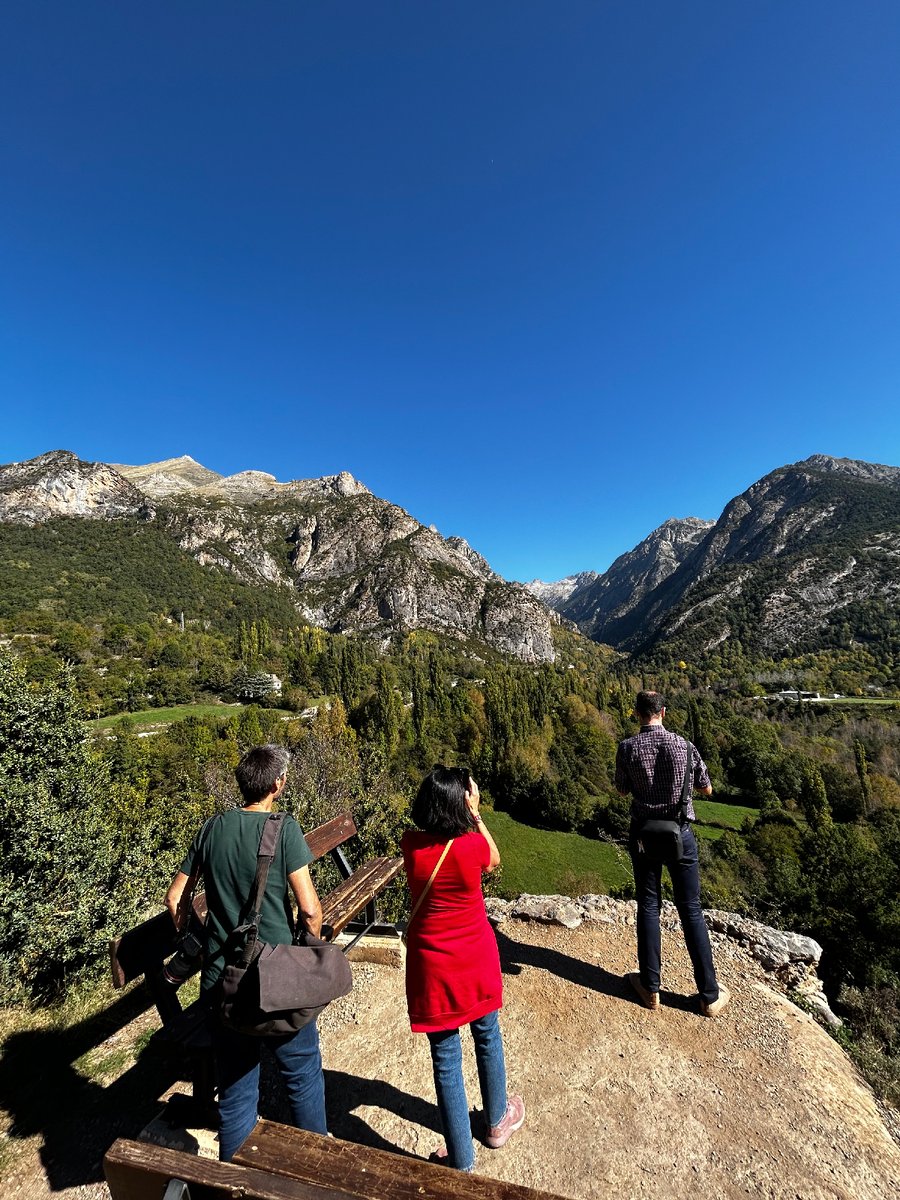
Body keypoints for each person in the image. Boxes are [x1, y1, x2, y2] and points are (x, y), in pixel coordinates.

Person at [165, 743, 327, 1160]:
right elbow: (309, 909)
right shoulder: (283, 828)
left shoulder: (211, 828)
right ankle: (317, 1167)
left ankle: (232, 1180)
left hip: (223, 982)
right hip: (276, 977)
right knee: (301, 1073)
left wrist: (198, 936)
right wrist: (311, 947)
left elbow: (174, 897)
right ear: (278, 783)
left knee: (237, 1089)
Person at [401, 765, 525, 1172]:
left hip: (433, 968)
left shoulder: (411, 846)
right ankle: (496, 1122)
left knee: (445, 1057)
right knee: (487, 1035)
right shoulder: (471, 847)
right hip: (475, 959)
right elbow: (495, 858)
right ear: (462, 803)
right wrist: (476, 814)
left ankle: (461, 1158)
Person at [615, 691, 730, 1017]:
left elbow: (622, 789)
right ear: (663, 712)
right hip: (680, 833)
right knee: (690, 909)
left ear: (637, 713)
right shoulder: (684, 745)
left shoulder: (627, 748)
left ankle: (650, 988)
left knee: (649, 905)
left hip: (643, 834)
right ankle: (708, 995)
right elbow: (706, 787)